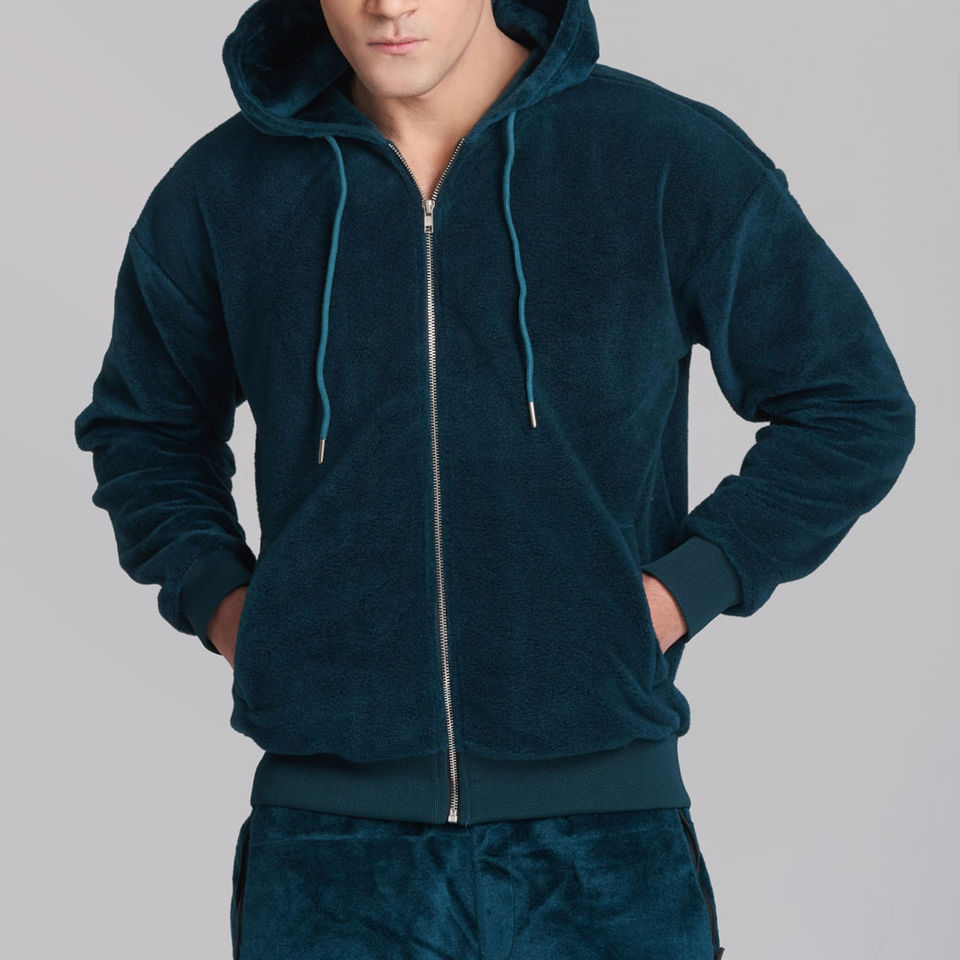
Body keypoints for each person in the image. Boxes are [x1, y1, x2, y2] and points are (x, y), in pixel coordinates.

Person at [73, 0, 916, 957]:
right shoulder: (223, 189)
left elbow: (852, 405)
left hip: (604, 849)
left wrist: (677, 594)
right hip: (329, 855)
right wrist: (232, 611)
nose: (389, 4)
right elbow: (144, 431)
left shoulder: (660, 157)